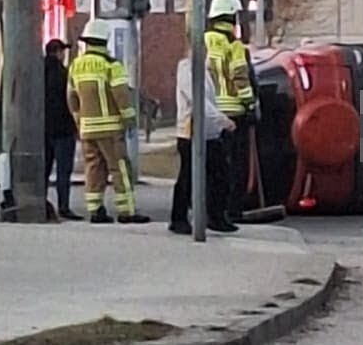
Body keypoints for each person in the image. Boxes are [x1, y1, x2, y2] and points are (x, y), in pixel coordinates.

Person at [66, 19, 150, 225]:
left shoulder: (76, 65)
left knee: (93, 169)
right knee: (119, 168)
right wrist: (129, 118)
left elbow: (71, 97)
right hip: (110, 128)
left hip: (87, 128)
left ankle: (95, 210)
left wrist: (79, 120)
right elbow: (121, 94)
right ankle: (126, 211)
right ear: (104, 41)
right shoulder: (111, 66)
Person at [170, 51, 238, 235]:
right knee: (188, 178)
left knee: (220, 176)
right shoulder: (187, 70)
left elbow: (210, 101)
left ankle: (215, 216)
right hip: (190, 133)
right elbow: (198, 100)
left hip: (209, 132)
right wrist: (223, 120)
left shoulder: (204, 70)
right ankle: (178, 219)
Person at [205, 0, 255, 222]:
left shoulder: (203, 41)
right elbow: (240, 77)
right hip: (234, 112)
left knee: (212, 165)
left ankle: (210, 208)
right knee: (236, 166)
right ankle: (233, 209)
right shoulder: (233, 46)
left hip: (210, 112)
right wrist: (251, 104)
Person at [44, 38, 81, 220]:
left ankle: (40, 202)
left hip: (44, 130)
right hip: (64, 129)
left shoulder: (39, 73)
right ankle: (63, 206)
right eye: (62, 51)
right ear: (58, 53)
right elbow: (72, 100)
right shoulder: (64, 74)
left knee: (44, 169)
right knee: (63, 171)